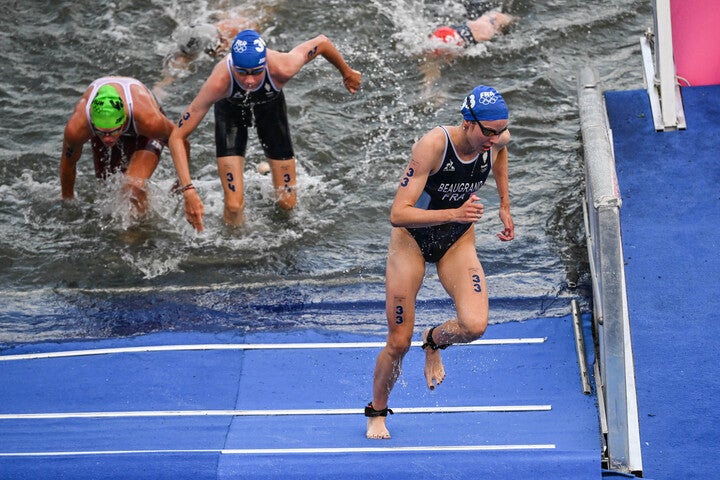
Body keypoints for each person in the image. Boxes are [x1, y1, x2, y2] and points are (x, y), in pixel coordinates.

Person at [365, 85, 515, 440]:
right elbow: (397, 213)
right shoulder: (433, 146)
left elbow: (502, 153)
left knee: (475, 325)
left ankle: (433, 340)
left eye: (499, 131)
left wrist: (505, 205)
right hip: (412, 242)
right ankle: (376, 411)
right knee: (398, 342)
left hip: (456, 241)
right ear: (467, 122)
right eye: (487, 132)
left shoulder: (495, 140)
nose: (493, 139)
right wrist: (456, 212)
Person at [168, 29, 362, 232]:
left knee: (287, 204)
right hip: (231, 112)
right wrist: (188, 190)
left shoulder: (284, 65)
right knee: (234, 207)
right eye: (242, 72)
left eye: (256, 72)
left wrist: (347, 72)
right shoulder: (219, 82)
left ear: (265, 65)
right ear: (233, 65)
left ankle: (264, 174)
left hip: (270, 108)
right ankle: (236, 256)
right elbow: (177, 136)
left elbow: (322, 42)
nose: (249, 81)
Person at [60, 77, 175, 214]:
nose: (108, 139)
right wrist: (68, 203)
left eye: (113, 132)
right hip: (113, 124)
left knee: (132, 188)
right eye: (102, 133)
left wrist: (183, 184)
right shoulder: (78, 127)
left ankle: (139, 231)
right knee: (108, 190)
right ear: (92, 122)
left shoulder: (150, 121)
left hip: (143, 129)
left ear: (124, 120)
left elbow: (180, 141)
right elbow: (68, 163)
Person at [153, 17, 259, 98]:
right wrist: (159, 90)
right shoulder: (185, 55)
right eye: (219, 43)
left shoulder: (237, 28)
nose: (224, 44)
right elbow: (167, 79)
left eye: (221, 39)